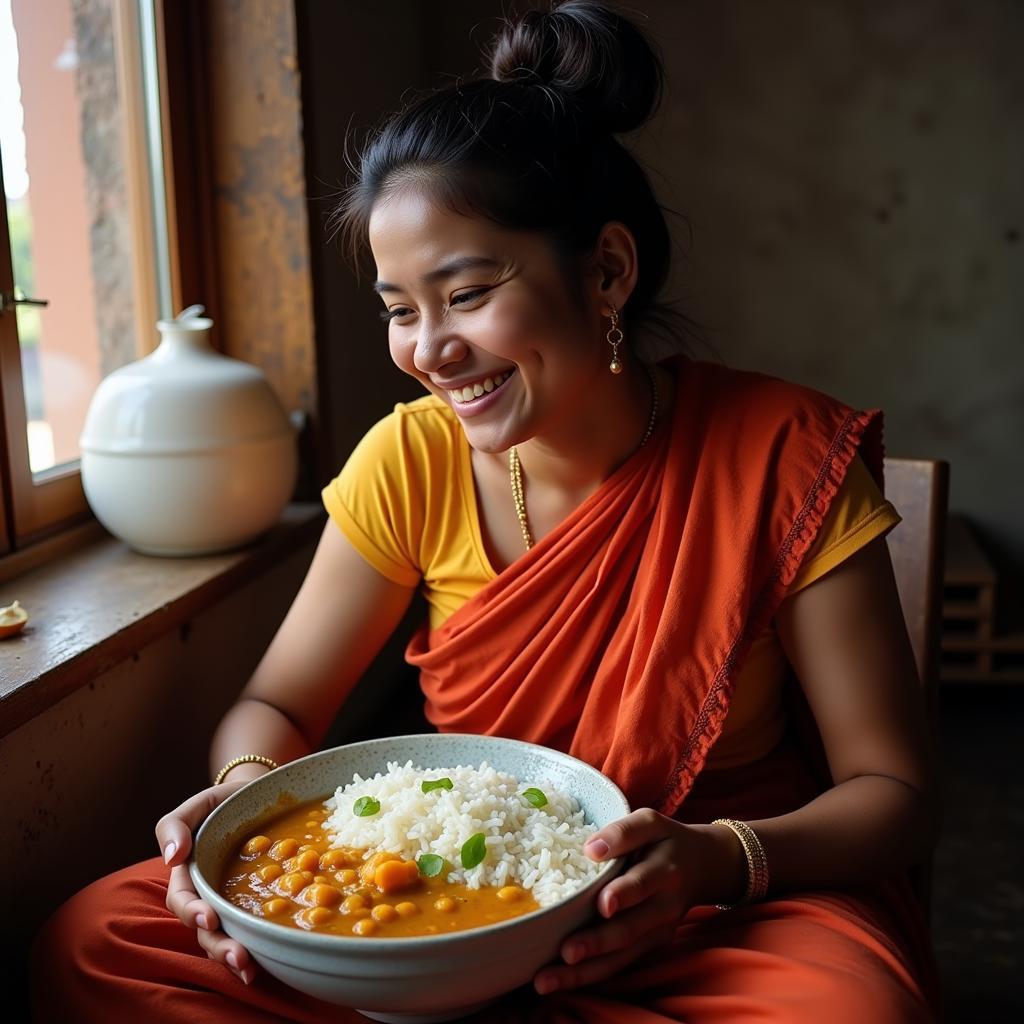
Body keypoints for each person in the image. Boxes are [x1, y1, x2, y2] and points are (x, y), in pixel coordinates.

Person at [31, 2, 941, 1021]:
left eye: (465, 293)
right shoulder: (409, 460)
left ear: (605, 270)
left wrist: (712, 861)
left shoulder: (778, 457)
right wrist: (242, 812)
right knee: (95, 941)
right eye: (397, 309)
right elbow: (277, 709)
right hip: (433, 909)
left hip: (700, 908)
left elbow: (891, 793)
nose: (428, 348)